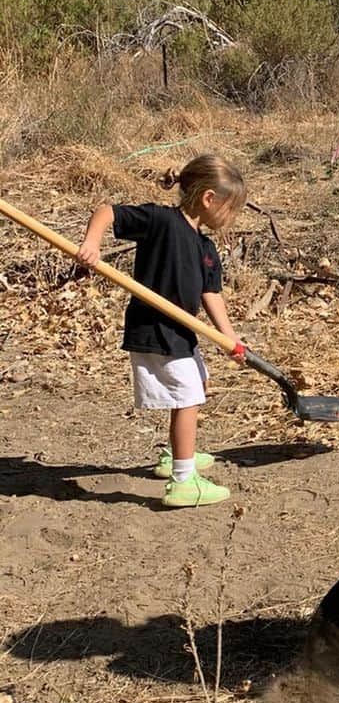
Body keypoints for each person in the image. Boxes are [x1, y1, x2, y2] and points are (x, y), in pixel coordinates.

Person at [76, 154, 247, 508]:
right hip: (155, 325)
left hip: (182, 329)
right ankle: (184, 482)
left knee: (198, 383)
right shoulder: (161, 221)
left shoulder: (206, 247)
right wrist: (92, 243)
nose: (232, 219)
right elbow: (108, 211)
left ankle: (175, 454)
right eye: (230, 209)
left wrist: (229, 338)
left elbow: (210, 294)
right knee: (188, 398)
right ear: (208, 199)